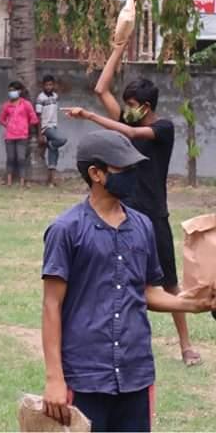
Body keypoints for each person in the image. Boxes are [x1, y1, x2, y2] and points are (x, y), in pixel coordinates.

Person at [41, 130, 216, 430]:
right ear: (96, 173)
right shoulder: (66, 229)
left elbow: (146, 291)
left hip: (136, 374)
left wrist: (191, 303)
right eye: (124, 168)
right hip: (85, 376)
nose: (134, 174)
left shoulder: (143, 226)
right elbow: (51, 305)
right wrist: (54, 378)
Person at [63, 35, 199, 366]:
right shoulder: (127, 119)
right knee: (116, 276)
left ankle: (186, 345)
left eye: (131, 105)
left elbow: (134, 135)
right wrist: (119, 47)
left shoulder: (162, 128)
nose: (126, 110)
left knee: (167, 281)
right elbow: (101, 90)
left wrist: (91, 118)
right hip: (123, 211)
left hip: (153, 214)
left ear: (146, 107)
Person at [0, 80, 39, 187]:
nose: (11, 93)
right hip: (9, 136)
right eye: (10, 91)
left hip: (22, 136)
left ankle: (22, 182)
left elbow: (34, 119)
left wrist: (25, 127)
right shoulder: (7, 105)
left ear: (19, 91)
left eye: (14, 90)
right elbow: (1, 119)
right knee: (10, 158)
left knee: (21, 158)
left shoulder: (26, 104)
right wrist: (8, 125)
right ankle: (9, 182)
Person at [36, 74, 67, 186]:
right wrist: (40, 134)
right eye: (46, 85)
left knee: (54, 153)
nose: (49, 87)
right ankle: (50, 144)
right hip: (46, 127)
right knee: (62, 140)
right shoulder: (40, 98)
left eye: (51, 84)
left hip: (54, 126)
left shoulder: (55, 96)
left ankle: (51, 181)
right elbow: (38, 116)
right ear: (43, 86)